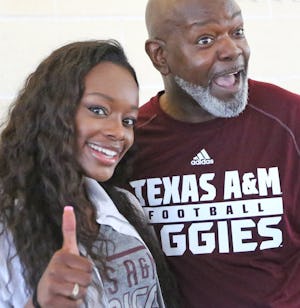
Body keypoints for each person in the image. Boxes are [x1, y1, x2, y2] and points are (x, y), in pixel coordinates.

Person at [126, 0, 300, 307]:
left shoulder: (290, 119)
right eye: (205, 39)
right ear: (160, 56)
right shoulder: (130, 142)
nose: (232, 50)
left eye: (237, 31)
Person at [0, 39, 178, 307]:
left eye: (127, 120)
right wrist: (40, 303)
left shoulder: (124, 205)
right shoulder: (8, 220)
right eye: (98, 110)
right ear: (51, 111)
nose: (118, 132)